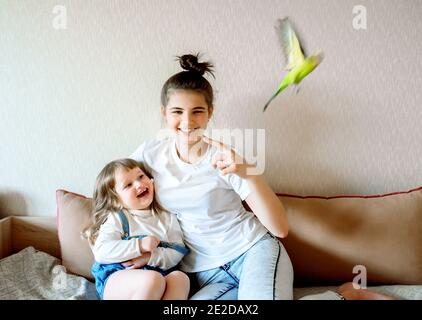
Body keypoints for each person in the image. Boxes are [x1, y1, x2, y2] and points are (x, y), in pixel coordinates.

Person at [128, 53, 293, 300]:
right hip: (206, 273)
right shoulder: (149, 155)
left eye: (197, 111)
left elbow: (280, 228)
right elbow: (119, 193)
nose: (187, 121)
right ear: (164, 113)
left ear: (209, 112)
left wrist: (248, 171)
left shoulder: (225, 157)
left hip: (253, 252)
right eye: (177, 112)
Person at [83, 158, 190, 300]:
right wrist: (139, 245)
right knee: (153, 279)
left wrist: (149, 257)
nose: (139, 184)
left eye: (141, 176)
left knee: (180, 279)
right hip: (119, 278)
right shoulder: (118, 218)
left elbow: (177, 251)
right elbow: (102, 251)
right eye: (128, 185)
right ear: (115, 199)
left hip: (158, 274)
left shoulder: (166, 216)